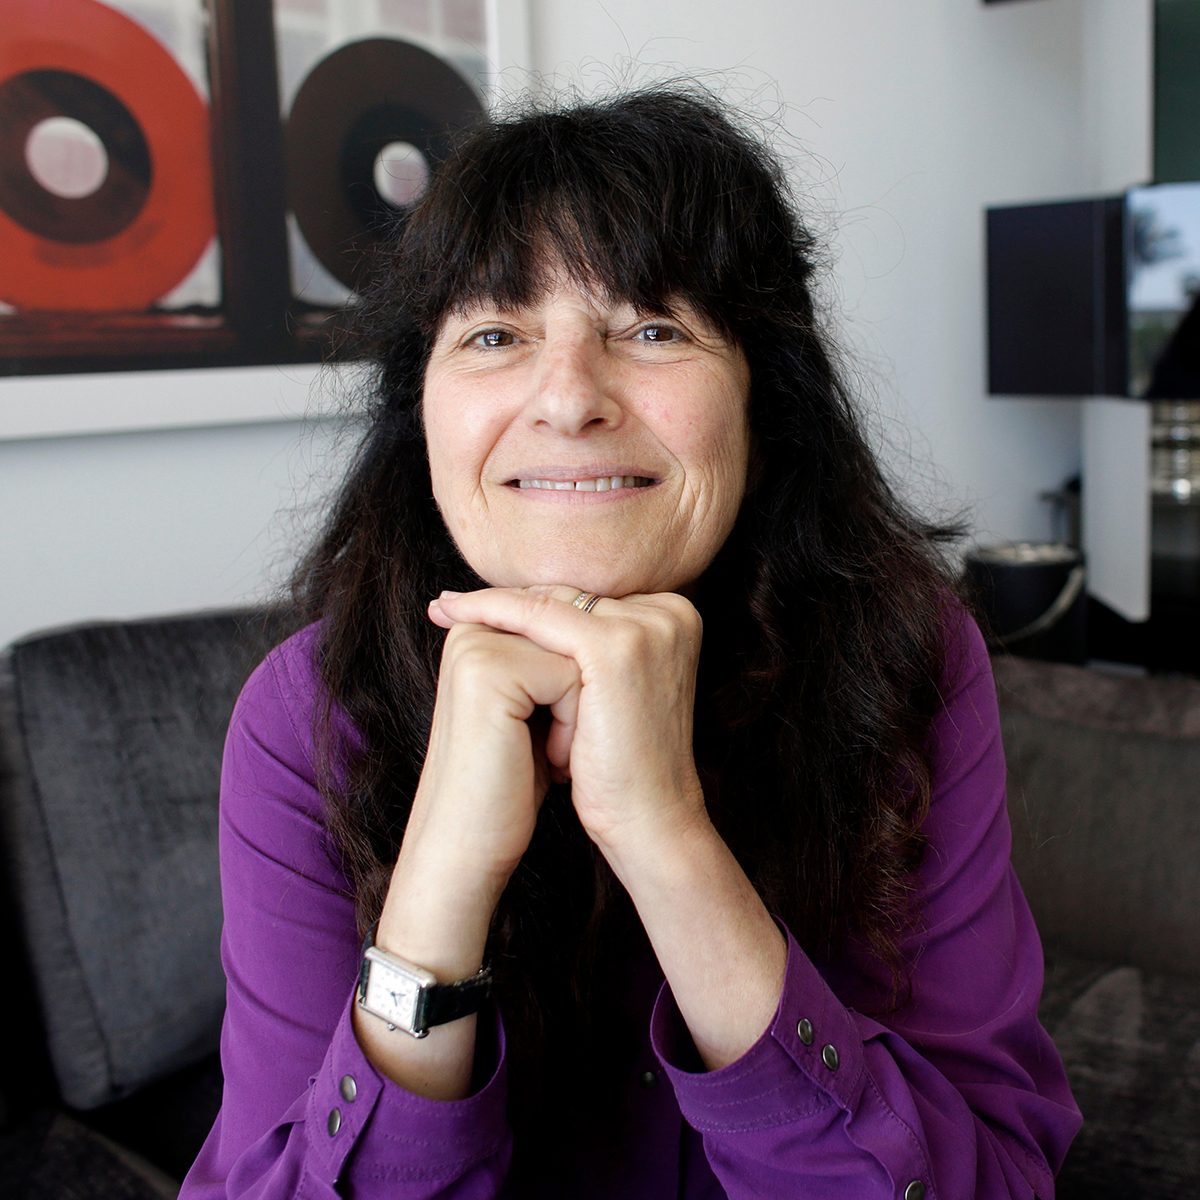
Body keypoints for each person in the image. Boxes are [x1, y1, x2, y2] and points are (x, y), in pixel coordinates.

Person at [182, 87, 1081, 1199]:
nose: (568, 400)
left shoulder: (909, 661)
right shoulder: (310, 714)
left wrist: (666, 839)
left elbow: (995, 1178)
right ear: (418, 406)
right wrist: (441, 888)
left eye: (651, 328)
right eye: (497, 332)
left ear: (767, 391)